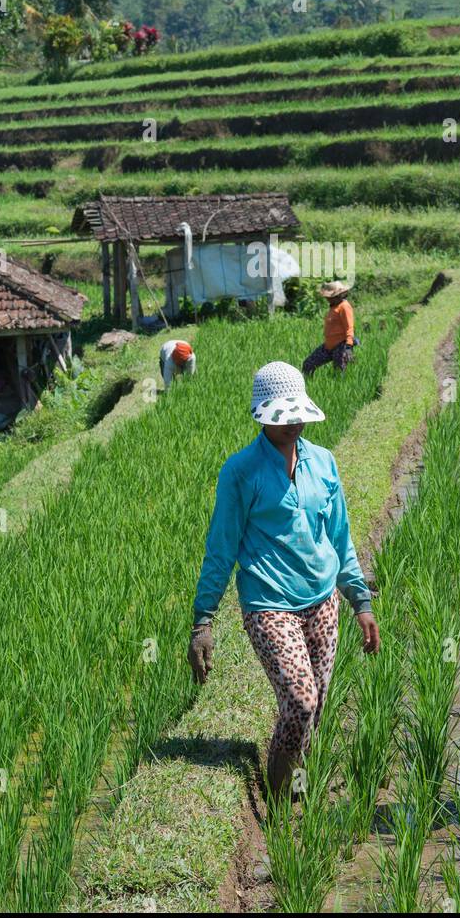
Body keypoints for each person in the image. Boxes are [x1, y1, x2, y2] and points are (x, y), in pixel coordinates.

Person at [187, 360, 380, 798]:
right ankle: (275, 806)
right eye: (283, 415)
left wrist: (361, 602)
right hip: (269, 602)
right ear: (263, 414)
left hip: (322, 600)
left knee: (318, 706)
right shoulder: (241, 472)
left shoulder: (324, 463)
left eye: (298, 414)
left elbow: (340, 538)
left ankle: (297, 786)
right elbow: (221, 547)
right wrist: (204, 620)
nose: (293, 423)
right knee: (300, 700)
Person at [302, 281, 355, 376]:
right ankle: (307, 385)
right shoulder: (334, 307)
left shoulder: (344, 306)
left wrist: (348, 347)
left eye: (329, 297)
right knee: (308, 364)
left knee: (339, 374)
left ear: (338, 295)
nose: (327, 299)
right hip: (328, 346)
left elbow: (349, 327)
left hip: (341, 346)